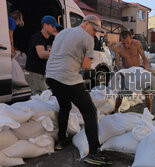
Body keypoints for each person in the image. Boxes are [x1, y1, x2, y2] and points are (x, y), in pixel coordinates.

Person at [46, 15, 112, 166]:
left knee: (65, 106)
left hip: (51, 76)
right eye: (94, 29)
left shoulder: (63, 32)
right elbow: (86, 66)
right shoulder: (88, 38)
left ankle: (61, 141)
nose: (95, 33)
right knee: (89, 111)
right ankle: (94, 153)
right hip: (68, 77)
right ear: (86, 23)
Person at [114, 30, 153, 113]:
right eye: (123, 43)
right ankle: (115, 110)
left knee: (147, 92)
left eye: (128, 42)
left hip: (139, 70)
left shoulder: (137, 44)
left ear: (131, 38)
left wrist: (146, 68)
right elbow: (117, 62)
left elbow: (144, 58)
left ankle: (149, 112)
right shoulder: (118, 47)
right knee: (120, 93)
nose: (126, 45)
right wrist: (120, 72)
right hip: (127, 72)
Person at [25, 16, 59, 95]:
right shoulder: (38, 37)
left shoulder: (50, 38)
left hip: (40, 73)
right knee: (44, 96)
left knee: (38, 97)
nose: (54, 29)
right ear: (45, 25)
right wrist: (57, 52)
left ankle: (31, 106)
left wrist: (58, 36)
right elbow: (41, 54)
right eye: (53, 26)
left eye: (55, 27)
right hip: (33, 73)